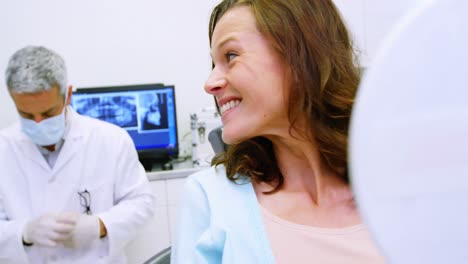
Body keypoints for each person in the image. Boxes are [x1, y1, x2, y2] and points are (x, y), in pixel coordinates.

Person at [172, 0, 386, 263]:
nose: (210, 83)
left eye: (231, 56)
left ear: (300, 55)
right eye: (214, 64)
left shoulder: (394, 186)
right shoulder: (210, 199)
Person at [0, 46, 156, 263]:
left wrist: (99, 226)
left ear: (67, 95)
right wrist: (24, 232)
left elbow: (142, 203)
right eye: (26, 114)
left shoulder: (111, 139)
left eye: (47, 113)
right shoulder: (4, 148)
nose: (38, 123)